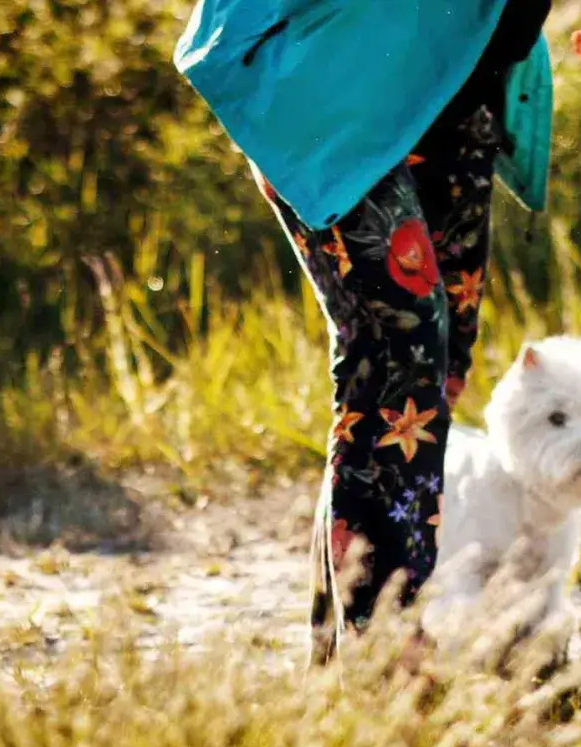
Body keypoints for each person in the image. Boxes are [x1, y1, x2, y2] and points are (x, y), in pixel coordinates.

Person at [174, 1, 555, 664]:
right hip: (335, 100)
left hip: (461, 88)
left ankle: (343, 656)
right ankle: (383, 651)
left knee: (431, 376)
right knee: (399, 357)